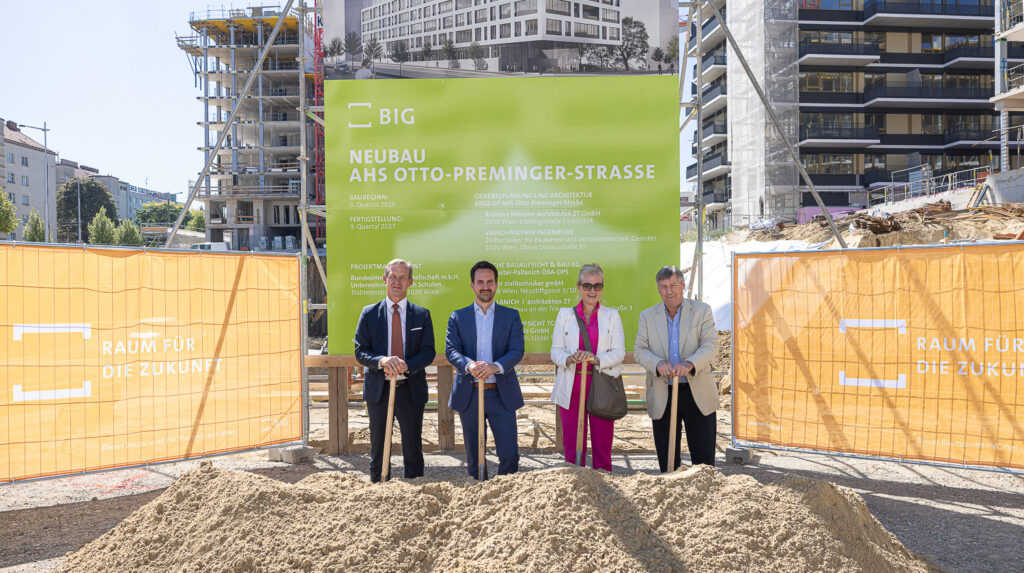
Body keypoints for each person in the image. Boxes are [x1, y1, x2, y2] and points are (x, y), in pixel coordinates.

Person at [354, 259, 436, 482]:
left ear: (410, 282)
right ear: (384, 279)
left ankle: (415, 488)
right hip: (379, 390)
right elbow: (360, 351)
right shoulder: (369, 314)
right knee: (379, 446)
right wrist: (382, 361)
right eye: (393, 276)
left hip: (410, 388)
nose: (397, 281)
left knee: (412, 446)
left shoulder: (422, 315)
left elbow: (428, 352)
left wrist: (407, 365)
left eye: (402, 277)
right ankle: (379, 486)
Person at [634, 265, 719, 471]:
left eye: (673, 285)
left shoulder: (701, 311)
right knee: (667, 458)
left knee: (703, 460)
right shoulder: (647, 316)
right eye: (663, 286)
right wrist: (658, 364)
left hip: (696, 391)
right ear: (658, 290)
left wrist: (690, 364)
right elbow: (640, 350)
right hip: (663, 392)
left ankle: (704, 497)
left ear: (682, 285)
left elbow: (711, 346)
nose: (668, 291)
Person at [445, 260, 525, 479]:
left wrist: (494, 367)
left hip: (501, 393)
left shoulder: (511, 316)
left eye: (490, 281)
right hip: (469, 394)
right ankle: (478, 494)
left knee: (509, 453)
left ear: (496, 284)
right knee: (475, 454)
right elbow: (452, 351)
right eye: (480, 282)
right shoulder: (458, 317)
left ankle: (506, 494)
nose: (485, 286)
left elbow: (516, 350)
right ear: (472, 285)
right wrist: (471, 366)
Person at [549, 263, 625, 471]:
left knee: (602, 445)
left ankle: (604, 488)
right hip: (572, 385)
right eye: (587, 285)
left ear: (602, 288)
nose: (592, 290)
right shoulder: (565, 315)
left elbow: (619, 353)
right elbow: (555, 351)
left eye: (597, 286)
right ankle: (576, 488)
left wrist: (596, 359)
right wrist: (570, 358)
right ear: (579, 287)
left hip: (601, 386)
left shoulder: (612, 316)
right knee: (573, 446)